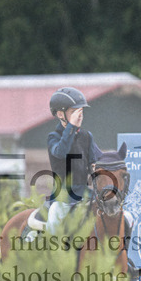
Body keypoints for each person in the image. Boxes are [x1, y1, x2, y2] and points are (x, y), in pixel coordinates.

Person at [46, 87, 102, 234]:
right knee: (53, 221)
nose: (79, 116)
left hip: (85, 193)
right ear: (60, 114)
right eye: (74, 112)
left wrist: (98, 165)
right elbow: (60, 152)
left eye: (81, 112)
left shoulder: (87, 136)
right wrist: (71, 126)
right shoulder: (53, 137)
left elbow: (96, 160)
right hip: (62, 196)